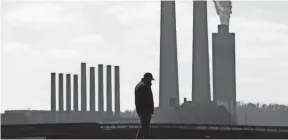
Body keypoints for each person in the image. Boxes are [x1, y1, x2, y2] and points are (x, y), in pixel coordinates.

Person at [134, 72, 155, 139]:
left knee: (144, 126)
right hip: (145, 110)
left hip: (141, 110)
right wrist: (150, 110)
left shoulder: (139, 85)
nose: (151, 81)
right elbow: (147, 99)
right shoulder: (145, 86)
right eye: (150, 79)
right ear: (147, 79)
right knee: (145, 127)